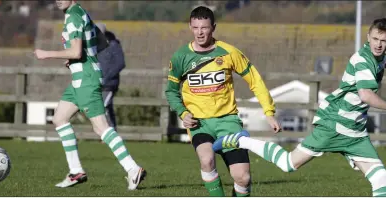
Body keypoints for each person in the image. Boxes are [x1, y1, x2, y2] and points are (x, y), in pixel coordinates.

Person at [213, 18, 386, 197]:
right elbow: (365, 95)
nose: (378, 44)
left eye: (383, 41)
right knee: (288, 164)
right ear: (368, 37)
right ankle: (243, 141)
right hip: (335, 124)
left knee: (380, 177)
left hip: (354, 130)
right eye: (375, 39)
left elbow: (383, 62)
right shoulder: (362, 61)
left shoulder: (377, 56)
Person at [165, 6, 280, 197]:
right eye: (195, 28)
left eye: (204, 28)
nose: (200, 32)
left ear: (213, 27)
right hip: (199, 123)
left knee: (243, 178)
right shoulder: (180, 57)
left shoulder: (229, 52)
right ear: (190, 27)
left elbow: (255, 80)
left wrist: (269, 112)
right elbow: (171, 91)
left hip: (228, 121)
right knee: (207, 159)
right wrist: (183, 113)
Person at [33, 0, 146, 190]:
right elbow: (102, 42)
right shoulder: (80, 13)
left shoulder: (74, 16)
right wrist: (79, 57)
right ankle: (75, 171)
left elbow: (77, 51)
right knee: (60, 118)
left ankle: (132, 168)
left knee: (101, 128)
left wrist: (47, 54)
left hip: (85, 80)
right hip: (79, 80)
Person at [96, 23, 126, 130]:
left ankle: (108, 132)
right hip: (98, 83)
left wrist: (106, 77)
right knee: (107, 107)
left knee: (102, 106)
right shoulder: (95, 46)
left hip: (109, 84)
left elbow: (120, 63)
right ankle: (111, 131)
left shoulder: (114, 45)